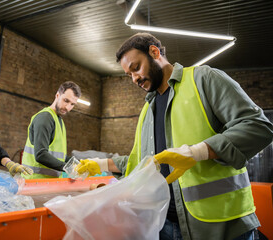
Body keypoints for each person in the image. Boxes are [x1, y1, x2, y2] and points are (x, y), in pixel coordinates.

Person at [78, 33, 273, 240]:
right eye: (129, 75)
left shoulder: (203, 79)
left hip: (221, 226)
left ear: (154, 52)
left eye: (136, 68)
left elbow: (257, 126)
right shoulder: (147, 110)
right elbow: (140, 163)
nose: (134, 78)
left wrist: (197, 152)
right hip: (165, 225)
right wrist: (100, 164)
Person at [21, 81, 81, 179]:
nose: (68, 107)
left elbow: (59, 156)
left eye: (72, 104)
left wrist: (78, 164)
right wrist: (68, 168)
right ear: (57, 95)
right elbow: (41, 154)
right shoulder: (45, 118)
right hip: (35, 181)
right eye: (66, 100)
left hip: (48, 183)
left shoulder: (58, 120)